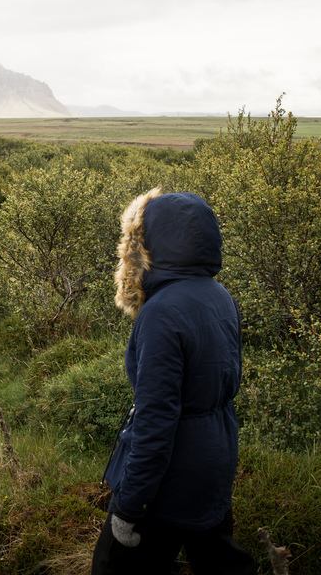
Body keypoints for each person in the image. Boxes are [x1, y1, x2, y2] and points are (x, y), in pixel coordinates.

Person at [93, 188, 254, 575]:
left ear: (147, 246)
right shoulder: (219, 296)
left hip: (169, 481)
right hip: (214, 461)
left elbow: (156, 420)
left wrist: (129, 506)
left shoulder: (162, 313)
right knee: (215, 558)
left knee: (112, 566)